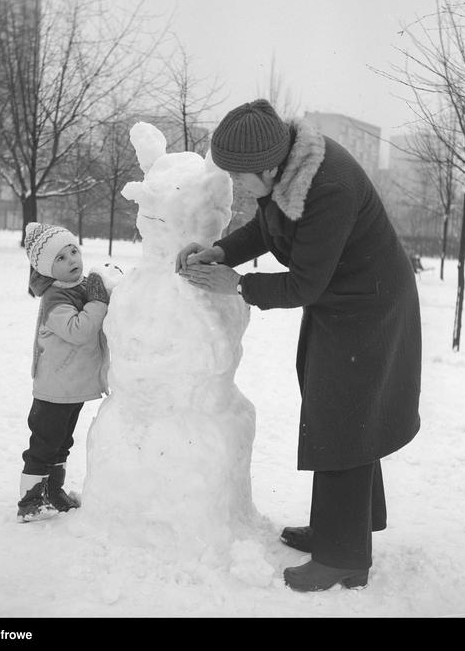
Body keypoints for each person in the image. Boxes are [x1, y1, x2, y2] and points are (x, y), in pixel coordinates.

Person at [176, 99, 421, 592]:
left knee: (343, 417)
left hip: (367, 308)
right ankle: (343, 525)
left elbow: (304, 284)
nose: (241, 188)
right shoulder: (289, 165)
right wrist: (220, 251)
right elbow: (269, 229)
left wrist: (238, 285)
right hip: (343, 300)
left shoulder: (326, 185)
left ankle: (343, 558)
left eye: (242, 178)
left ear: (268, 166)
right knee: (338, 409)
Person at [18, 222, 110, 522]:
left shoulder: (79, 287)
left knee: (61, 442)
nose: (72, 260)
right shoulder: (55, 300)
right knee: (44, 444)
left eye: (73, 251)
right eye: (60, 258)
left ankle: (53, 492)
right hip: (54, 387)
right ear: (46, 269)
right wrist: (97, 301)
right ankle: (30, 502)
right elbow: (80, 330)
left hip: (71, 387)